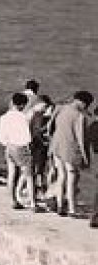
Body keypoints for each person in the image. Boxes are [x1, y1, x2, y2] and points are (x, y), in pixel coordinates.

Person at [48, 91, 92, 219]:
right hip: (71, 150)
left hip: (56, 146)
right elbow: (81, 139)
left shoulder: (59, 108)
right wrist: (85, 157)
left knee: (61, 176)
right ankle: (72, 209)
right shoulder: (79, 116)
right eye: (87, 105)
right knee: (72, 180)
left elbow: (50, 126)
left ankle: (60, 205)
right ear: (83, 103)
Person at [0, 92, 34, 209]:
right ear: (23, 105)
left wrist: (7, 143)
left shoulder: (3, 117)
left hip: (9, 147)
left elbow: (1, 137)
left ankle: (13, 201)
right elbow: (27, 136)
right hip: (21, 147)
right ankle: (33, 203)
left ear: (12, 102)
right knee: (29, 175)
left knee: (12, 174)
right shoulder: (23, 117)